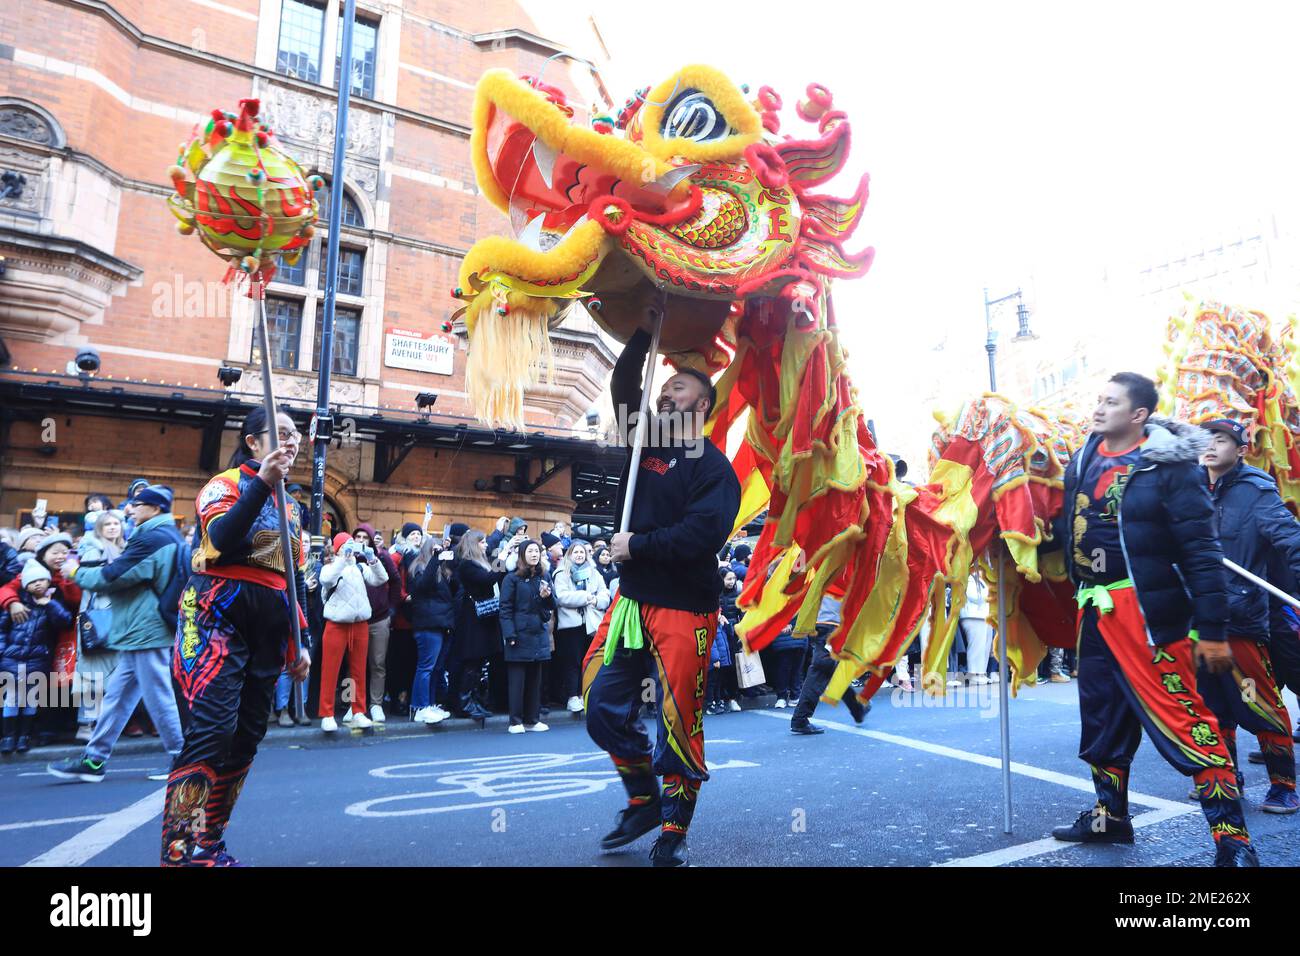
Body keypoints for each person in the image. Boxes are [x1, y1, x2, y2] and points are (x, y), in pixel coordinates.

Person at [1049, 373, 1256, 867]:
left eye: (1111, 403)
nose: (1099, 409)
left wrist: (1212, 630)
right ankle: (1110, 817)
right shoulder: (1083, 456)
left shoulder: (1170, 466)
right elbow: (1073, 524)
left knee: (1185, 717)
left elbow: (1203, 551)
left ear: (1138, 414)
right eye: (1098, 399)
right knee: (1102, 717)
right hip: (1093, 609)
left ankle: (1233, 840)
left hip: (1145, 612)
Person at [583, 327, 741, 867]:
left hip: (684, 606)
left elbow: (703, 536)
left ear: (702, 404)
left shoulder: (715, 468)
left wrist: (637, 545)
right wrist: (645, 330)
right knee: (598, 702)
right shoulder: (645, 437)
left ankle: (673, 831)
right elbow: (627, 381)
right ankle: (643, 798)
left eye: (679, 388)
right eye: (667, 384)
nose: (666, 391)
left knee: (678, 719)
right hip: (631, 601)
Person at [160, 406, 310, 866]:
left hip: (269, 625)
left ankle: (210, 840)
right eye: (280, 433)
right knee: (213, 732)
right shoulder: (225, 485)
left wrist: (299, 640)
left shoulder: (294, 506)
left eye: (296, 435)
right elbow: (222, 539)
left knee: (246, 738)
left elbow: (293, 580)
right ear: (253, 441)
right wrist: (262, 482)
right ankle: (179, 849)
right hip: (215, 615)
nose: (291, 441)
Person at [47, 488, 186, 782]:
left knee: (158, 697)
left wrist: (74, 571)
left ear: (155, 508)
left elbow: (111, 578)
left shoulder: (152, 538)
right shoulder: (167, 534)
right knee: (118, 698)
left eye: (138, 504)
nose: (131, 509)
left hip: (145, 628)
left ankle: (182, 758)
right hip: (143, 628)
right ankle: (95, 759)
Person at [1197, 418, 1300, 813]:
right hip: (1199, 620)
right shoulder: (1186, 489)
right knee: (1211, 706)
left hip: (1241, 618)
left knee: (1257, 702)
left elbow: (1288, 537)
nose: (1210, 446)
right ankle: (1227, 778)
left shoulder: (1256, 491)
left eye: (1220, 440)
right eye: (1205, 439)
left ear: (1240, 449)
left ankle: (1283, 785)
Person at [317, 532, 388, 732]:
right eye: (346, 544)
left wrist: (372, 558)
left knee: (358, 672)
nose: (351, 548)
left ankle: (358, 712)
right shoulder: (330, 567)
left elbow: (382, 578)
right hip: (336, 625)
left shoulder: (361, 567)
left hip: (360, 625)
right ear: (338, 548)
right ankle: (327, 714)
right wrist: (342, 559)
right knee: (330, 670)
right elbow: (327, 580)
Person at [0, 562, 71, 753]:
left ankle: (24, 736)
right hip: (12, 658)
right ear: (25, 585)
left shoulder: (51, 604)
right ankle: (8, 738)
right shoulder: (16, 605)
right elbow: (2, 628)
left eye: (42, 580)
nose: (38, 584)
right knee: (12, 697)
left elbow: (64, 621)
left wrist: (51, 605)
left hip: (37, 658)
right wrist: (2, 650)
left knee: (31, 698)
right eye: (33, 581)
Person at [71, 510, 125, 740]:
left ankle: (102, 726)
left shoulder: (125, 549)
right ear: (99, 527)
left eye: (116, 523)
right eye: (108, 524)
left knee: (112, 675)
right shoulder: (93, 549)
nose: (113, 527)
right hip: (96, 617)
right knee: (91, 675)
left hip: (118, 617)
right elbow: (91, 581)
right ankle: (85, 725)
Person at [789, 595, 869, 734]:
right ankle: (800, 719)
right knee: (823, 667)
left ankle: (857, 709)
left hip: (824, 622)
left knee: (831, 669)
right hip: (830, 623)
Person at [500, 539, 555, 732]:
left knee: (535, 679)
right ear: (522, 555)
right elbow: (505, 608)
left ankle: (532, 719)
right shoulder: (511, 579)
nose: (534, 554)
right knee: (517, 681)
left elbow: (552, 606)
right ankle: (515, 721)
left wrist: (547, 597)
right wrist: (509, 634)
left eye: (537, 551)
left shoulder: (544, 575)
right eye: (530, 551)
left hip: (538, 631)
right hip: (518, 632)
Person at [451, 530, 505, 720]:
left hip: (481, 616)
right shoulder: (467, 565)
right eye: (482, 542)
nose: (485, 545)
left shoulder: (479, 563)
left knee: (479, 662)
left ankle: (473, 700)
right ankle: (464, 703)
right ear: (474, 544)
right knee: (472, 662)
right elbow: (489, 579)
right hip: (472, 618)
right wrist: (502, 560)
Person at [353, 522, 402, 726]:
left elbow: (396, 580)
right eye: (359, 537)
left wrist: (391, 609)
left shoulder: (381, 556)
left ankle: (376, 704)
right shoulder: (348, 558)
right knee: (354, 666)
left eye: (366, 538)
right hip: (355, 620)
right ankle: (352, 705)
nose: (362, 541)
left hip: (380, 618)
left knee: (378, 664)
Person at [552, 541, 610, 713]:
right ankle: (572, 697)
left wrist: (596, 600)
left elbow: (605, 594)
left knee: (588, 660)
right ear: (570, 554)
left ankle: (584, 694)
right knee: (572, 662)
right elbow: (562, 597)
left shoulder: (595, 573)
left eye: (582, 552)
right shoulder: (561, 573)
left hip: (591, 624)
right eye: (576, 552)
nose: (579, 555)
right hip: (571, 625)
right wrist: (586, 597)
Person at [406, 536, 454, 724]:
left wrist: (445, 555)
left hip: (440, 624)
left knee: (435, 669)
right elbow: (423, 586)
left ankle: (430, 704)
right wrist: (435, 558)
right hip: (428, 625)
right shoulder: (419, 567)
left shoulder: (441, 569)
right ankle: (419, 707)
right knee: (425, 667)